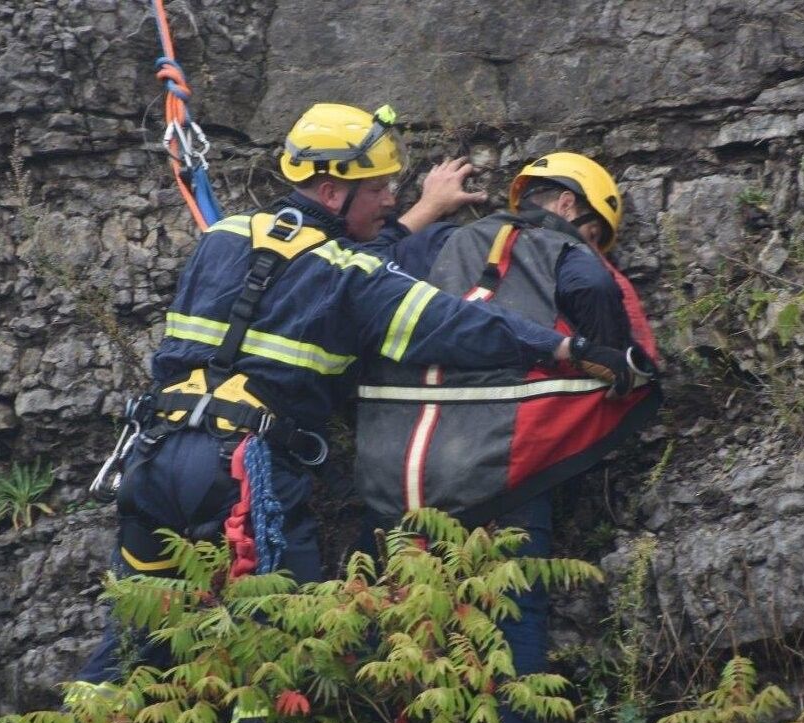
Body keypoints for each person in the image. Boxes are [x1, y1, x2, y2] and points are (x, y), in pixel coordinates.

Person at [76, 107, 637, 688]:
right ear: (331, 190)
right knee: (291, 648)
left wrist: (423, 211)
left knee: (134, 641)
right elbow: (459, 324)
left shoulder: (222, 239)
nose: (391, 200)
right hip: (246, 476)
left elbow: (321, 258)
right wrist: (568, 351)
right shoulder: (355, 278)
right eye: (379, 189)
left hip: (154, 458)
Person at [354, 152, 661, 723]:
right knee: (513, 616)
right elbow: (600, 309)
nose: (590, 244)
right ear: (570, 205)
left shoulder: (437, 241)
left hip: (398, 470)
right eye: (594, 232)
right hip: (498, 466)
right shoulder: (566, 252)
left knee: (398, 621)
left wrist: (424, 207)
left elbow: (365, 274)